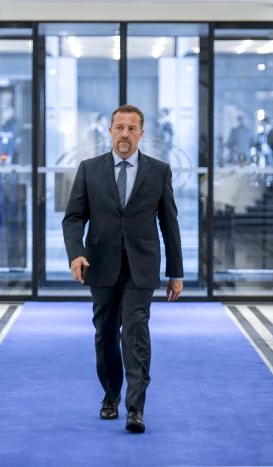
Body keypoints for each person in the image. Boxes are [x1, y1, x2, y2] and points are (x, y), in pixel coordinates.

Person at [62, 104, 184, 434]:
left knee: (135, 331)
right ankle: (111, 394)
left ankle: (136, 407)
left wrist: (176, 272)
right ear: (110, 132)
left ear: (141, 133)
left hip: (141, 266)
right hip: (100, 264)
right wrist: (76, 254)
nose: (125, 134)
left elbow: (169, 224)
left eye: (132, 128)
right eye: (120, 128)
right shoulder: (89, 169)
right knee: (105, 334)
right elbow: (73, 218)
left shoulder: (159, 171)